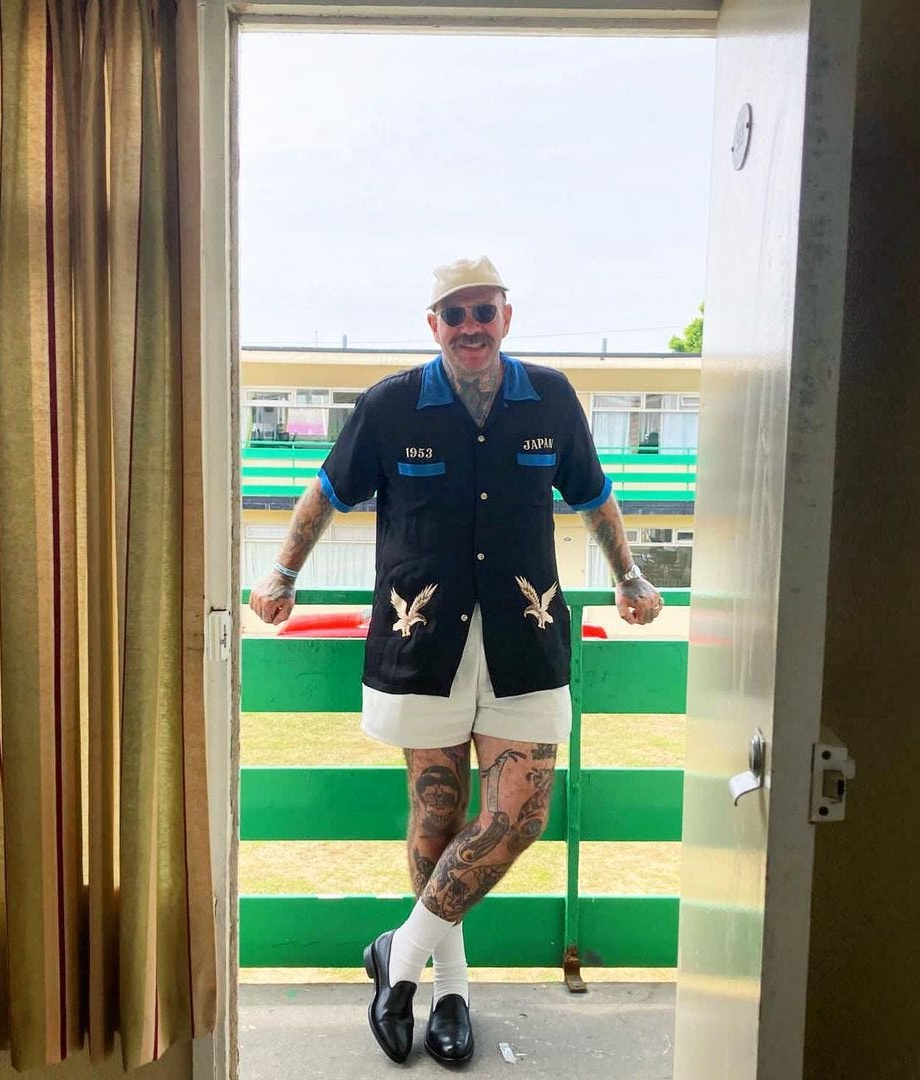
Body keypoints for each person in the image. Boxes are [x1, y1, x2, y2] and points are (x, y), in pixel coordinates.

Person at [249, 255, 663, 1066]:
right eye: (455, 313)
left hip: (525, 636)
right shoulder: (390, 404)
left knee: (521, 817)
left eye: (484, 310)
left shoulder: (552, 399)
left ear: (506, 316)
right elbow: (327, 491)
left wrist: (630, 575)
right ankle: (451, 992)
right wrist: (282, 575)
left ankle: (397, 959)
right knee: (437, 817)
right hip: (422, 639)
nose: (470, 326)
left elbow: (593, 493)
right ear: (433, 324)